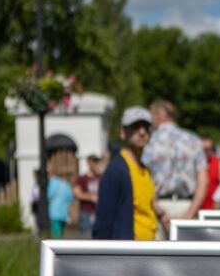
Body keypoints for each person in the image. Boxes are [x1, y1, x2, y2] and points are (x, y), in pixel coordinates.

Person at [94, 106, 164, 240]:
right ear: (123, 133)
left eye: (146, 127)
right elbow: (104, 221)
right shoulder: (116, 171)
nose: (142, 132)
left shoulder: (144, 170)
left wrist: (162, 215)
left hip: (148, 249)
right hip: (129, 252)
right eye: (135, 127)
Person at [143, 99, 207, 234]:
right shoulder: (193, 139)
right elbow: (203, 181)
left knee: (158, 254)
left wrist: (161, 214)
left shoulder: (150, 141)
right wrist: (190, 213)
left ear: (157, 117)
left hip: (158, 207)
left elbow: (143, 181)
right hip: (187, 205)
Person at [73, 154, 102, 234]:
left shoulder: (101, 177)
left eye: (96, 161)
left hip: (99, 212)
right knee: (87, 235)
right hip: (86, 212)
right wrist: (90, 197)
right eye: (93, 161)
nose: (95, 164)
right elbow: (76, 193)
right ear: (89, 162)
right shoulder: (82, 179)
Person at [47, 168, 74, 239]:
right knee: (61, 233)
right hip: (64, 212)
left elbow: (49, 195)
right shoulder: (66, 184)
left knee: (56, 234)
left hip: (54, 211)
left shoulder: (52, 182)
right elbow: (70, 198)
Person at [200, 138, 220, 211]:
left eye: (211, 149)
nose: (209, 152)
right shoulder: (196, 163)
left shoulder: (217, 162)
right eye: (206, 150)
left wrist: (219, 200)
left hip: (213, 207)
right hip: (198, 206)